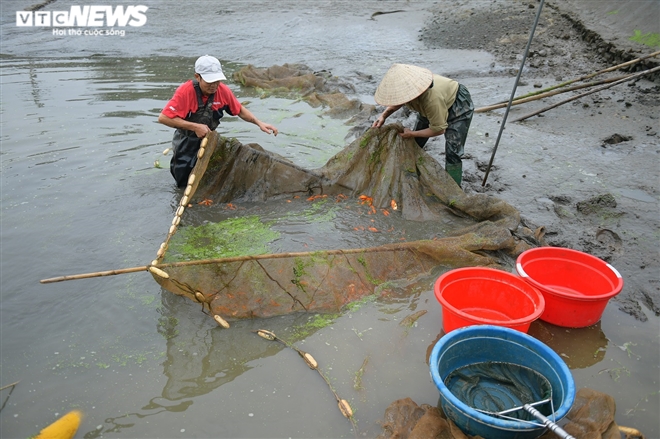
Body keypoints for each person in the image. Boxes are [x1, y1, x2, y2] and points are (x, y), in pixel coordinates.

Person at [158, 55, 278, 187]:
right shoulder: (185, 91)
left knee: (208, 177)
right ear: (198, 77)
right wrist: (195, 127)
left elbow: (239, 110)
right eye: (210, 81)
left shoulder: (223, 91)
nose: (214, 85)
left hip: (209, 140)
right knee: (183, 180)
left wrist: (259, 123)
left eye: (217, 81)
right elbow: (164, 118)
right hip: (186, 142)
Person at [371, 63, 473, 186]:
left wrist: (412, 133)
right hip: (429, 103)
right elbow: (399, 100)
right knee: (416, 142)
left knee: (453, 150)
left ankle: (454, 190)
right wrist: (383, 115)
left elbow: (439, 130)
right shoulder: (409, 90)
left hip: (458, 104)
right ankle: (410, 175)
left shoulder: (431, 100)